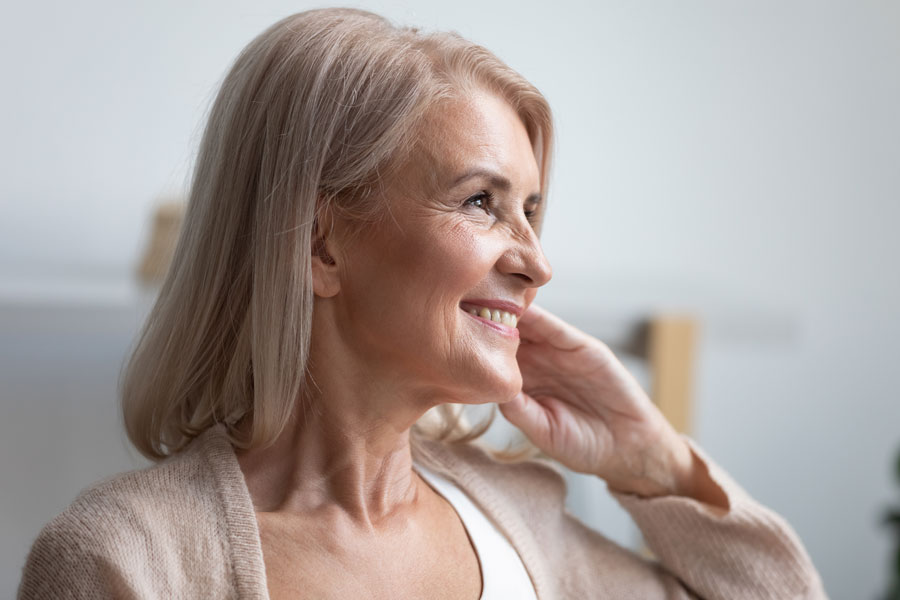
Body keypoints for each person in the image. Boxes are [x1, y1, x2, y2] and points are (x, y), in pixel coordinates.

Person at [18, 7, 828, 599]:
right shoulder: (123, 562)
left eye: (533, 210)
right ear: (319, 244)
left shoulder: (520, 518)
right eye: (481, 202)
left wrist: (653, 462)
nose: (536, 262)